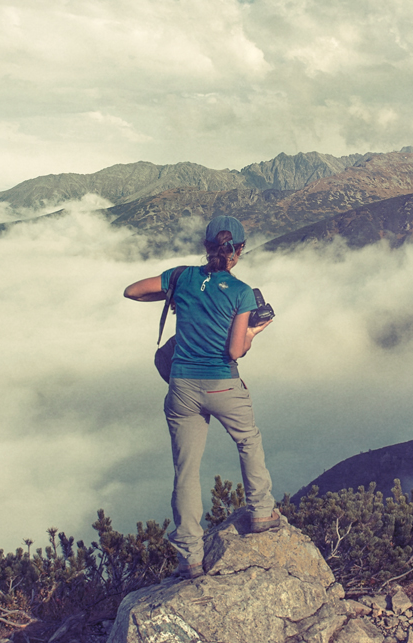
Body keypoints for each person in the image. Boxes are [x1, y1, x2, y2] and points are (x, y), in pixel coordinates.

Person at [124, 215, 280, 580]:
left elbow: (132, 290)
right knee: (248, 441)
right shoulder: (241, 292)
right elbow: (236, 350)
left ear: (206, 247)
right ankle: (261, 512)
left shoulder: (181, 277)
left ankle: (190, 559)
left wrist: (172, 293)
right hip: (222, 384)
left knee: (186, 470)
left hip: (181, 386)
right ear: (238, 251)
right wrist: (255, 330)